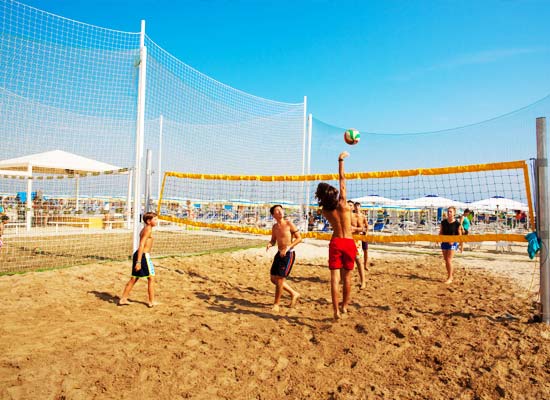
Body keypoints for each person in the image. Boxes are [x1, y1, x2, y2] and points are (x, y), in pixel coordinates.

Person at [315, 151, 356, 320]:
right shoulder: (344, 203)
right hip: (349, 242)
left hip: (336, 241)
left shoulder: (325, 211)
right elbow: (342, 180)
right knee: (347, 277)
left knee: (334, 278)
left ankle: (335, 311)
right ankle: (345, 306)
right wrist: (340, 160)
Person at [266, 204, 302, 311]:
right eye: (277, 211)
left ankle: (276, 304)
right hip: (279, 253)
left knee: (280, 280)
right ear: (273, 215)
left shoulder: (289, 224)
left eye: (281, 210)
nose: (280, 212)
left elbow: (299, 238)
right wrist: (270, 244)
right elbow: (273, 240)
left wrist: (288, 247)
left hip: (288, 254)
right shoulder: (275, 227)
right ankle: (294, 293)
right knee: (273, 278)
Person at [119, 212, 159, 307]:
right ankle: (151, 301)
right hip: (143, 256)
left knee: (134, 278)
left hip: (140, 255)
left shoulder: (147, 229)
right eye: (155, 219)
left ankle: (123, 299)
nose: (157, 221)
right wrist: (139, 262)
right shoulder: (148, 230)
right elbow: (141, 245)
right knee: (151, 278)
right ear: (149, 221)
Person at [439, 206, 462, 284]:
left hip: (453, 242)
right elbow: (441, 232)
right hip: (444, 242)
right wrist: (438, 238)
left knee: (449, 259)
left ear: (454, 213)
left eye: (450, 211)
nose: (449, 213)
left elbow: (460, 236)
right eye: (448, 211)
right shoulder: (443, 222)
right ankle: (449, 275)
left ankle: (450, 277)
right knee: (446, 260)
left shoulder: (457, 224)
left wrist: (454, 241)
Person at [348, 200, 366, 289]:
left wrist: (354, 229)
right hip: (346, 240)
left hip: (356, 240)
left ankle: (363, 281)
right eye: (347, 205)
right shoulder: (343, 216)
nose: (349, 206)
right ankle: (343, 280)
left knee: (359, 262)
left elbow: (363, 228)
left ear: (353, 207)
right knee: (345, 261)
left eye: (350, 205)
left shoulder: (357, 216)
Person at [354, 202, 369, 274]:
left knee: (365, 250)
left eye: (358, 206)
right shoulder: (352, 216)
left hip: (362, 234)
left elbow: (367, 225)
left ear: (360, 207)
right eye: (356, 206)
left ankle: (365, 265)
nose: (357, 207)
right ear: (354, 207)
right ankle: (354, 265)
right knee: (355, 251)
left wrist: (367, 233)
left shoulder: (363, 216)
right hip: (355, 235)